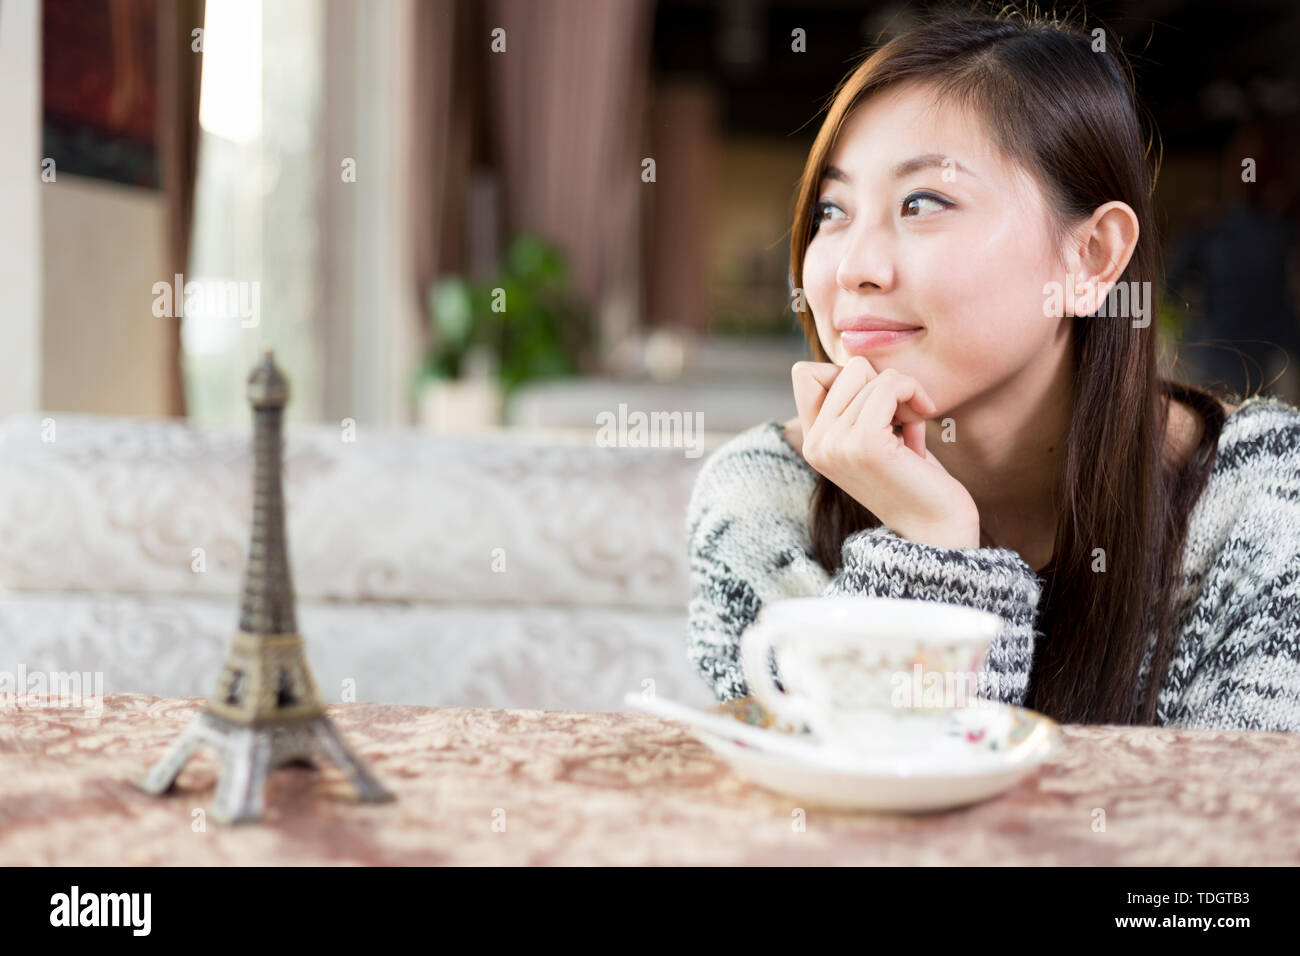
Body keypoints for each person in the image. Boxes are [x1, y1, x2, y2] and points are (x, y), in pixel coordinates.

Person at [685, 6, 1300, 731]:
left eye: (923, 202)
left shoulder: (1264, 500)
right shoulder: (763, 502)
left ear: (1092, 257)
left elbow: (1236, 831)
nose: (853, 267)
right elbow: (844, 826)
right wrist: (932, 542)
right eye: (832, 210)